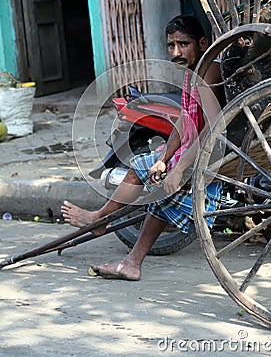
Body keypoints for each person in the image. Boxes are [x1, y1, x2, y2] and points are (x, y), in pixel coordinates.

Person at [61, 15, 222, 281]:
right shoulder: (191, 73)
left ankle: (104, 225)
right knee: (146, 169)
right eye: (171, 46)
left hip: (206, 151)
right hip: (190, 148)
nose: (176, 52)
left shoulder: (208, 71)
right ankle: (121, 248)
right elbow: (184, 121)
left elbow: (213, 126)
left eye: (183, 44)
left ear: (202, 43)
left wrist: (179, 168)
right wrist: (164, 159)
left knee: (152, 183)